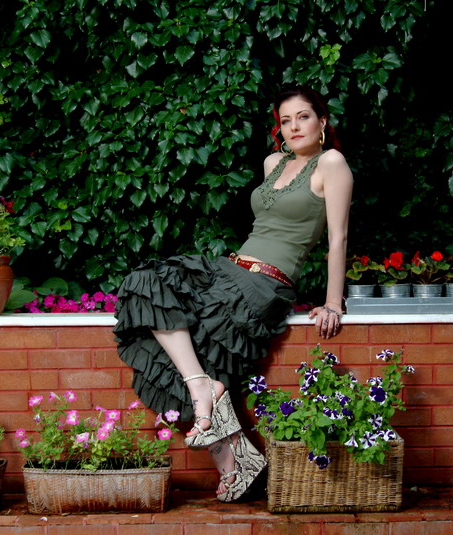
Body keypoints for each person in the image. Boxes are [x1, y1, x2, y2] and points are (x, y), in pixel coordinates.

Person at [113, 85, 353, 502]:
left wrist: (334, 301)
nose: (294, 126)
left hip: (267, 285)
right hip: (231, 269)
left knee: (187, 351)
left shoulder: (331, 163)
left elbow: (338, 238)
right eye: (285, 120)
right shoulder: (273, 163)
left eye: (303, 116)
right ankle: (210, 403)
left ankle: (227, 448)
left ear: (322, 120)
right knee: (146, 285)